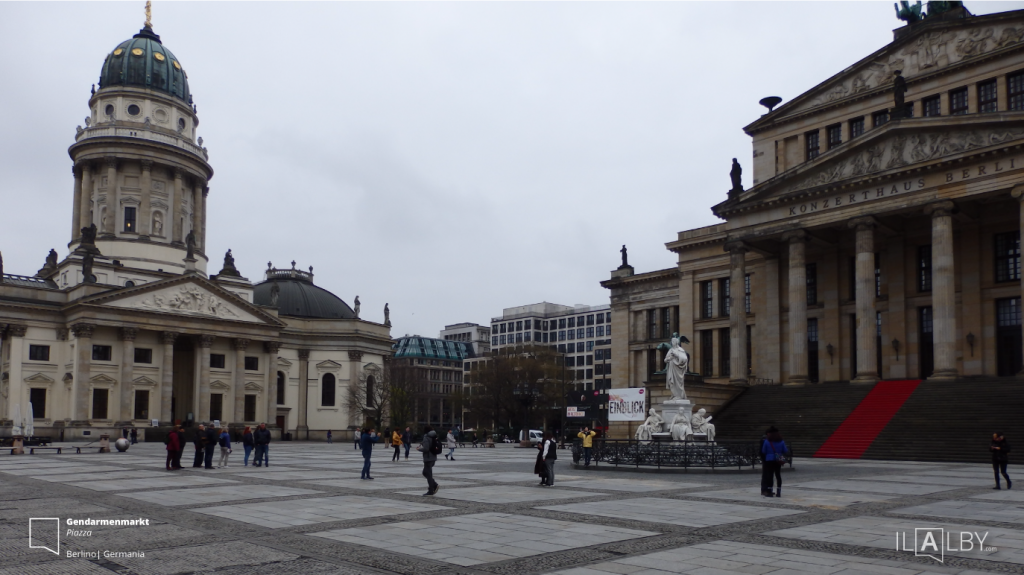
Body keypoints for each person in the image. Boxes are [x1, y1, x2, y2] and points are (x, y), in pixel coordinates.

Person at [761, 426, 788, 497]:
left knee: (770, 475)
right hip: (777, 460)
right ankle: (778, 491)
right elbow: (785, 450)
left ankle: (769, 491)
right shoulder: (781, 441)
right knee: (778, 475)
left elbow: (763, 451)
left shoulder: (767, 441)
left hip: (769, 460)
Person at [417, 425, 439, 496]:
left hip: (428, 458)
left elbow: (426, 448)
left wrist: (419, 449)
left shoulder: (426, 437)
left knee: (428, 474)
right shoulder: (433, 436)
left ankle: (431, 489)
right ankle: (434, 485)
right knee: (425, 472)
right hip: (433, 457)